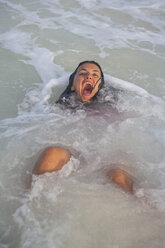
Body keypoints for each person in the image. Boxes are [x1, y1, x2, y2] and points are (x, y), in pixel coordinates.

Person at [32, 61, 133, 194]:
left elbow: (127, 133)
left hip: (107, 153)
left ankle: (148, 209)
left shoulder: (116, 105)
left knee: (118, 176)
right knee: (52, 153)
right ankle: (24, 203)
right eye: (83, 73)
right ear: (73, 86)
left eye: (95, 75)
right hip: (76, 152)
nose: (89, 77)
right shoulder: (61, 109)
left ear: (100, 86)